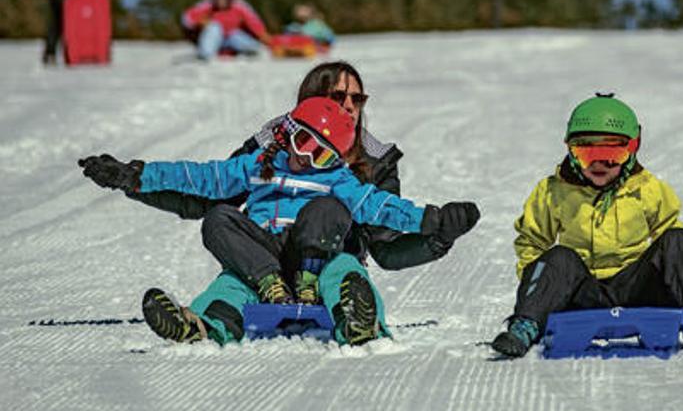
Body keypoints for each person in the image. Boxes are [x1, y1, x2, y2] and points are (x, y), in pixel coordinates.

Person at [79, 61, 480, 346]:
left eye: (357, 98)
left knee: (344, 269)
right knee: (229, 265)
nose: (348, 107)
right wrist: (136, 177)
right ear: (302, 112)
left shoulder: (367, 165)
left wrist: (435, 227)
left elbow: (384, 223)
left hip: (326, 257)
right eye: (338, 96)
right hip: (263, 260)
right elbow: (204, 185)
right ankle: (201, 325)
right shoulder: (265, 155)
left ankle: (358, 321)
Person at [490, 94, 683, 358]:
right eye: (586, 153)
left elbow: (675, 251)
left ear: (632, 150)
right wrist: (542, 293)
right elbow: (532, 242)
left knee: (678, 239)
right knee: (558, 257)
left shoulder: (646, 188)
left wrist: (679, 288)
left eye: (612, 154)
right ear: (570, 150)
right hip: (580, 291)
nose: (599, 164)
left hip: (638, 286)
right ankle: (525, 326)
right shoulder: (553, 191)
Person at [180, 0, 273, 60]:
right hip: (213, 40)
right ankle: (206, 55)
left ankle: (252, 51)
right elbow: (187, 18)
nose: (221, 1)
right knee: (214, 27)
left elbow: (256, 25)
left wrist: (268, 40)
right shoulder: (208, 4)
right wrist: (200, 22)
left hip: (232, 39)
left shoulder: (240, 6)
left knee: (236, 35)